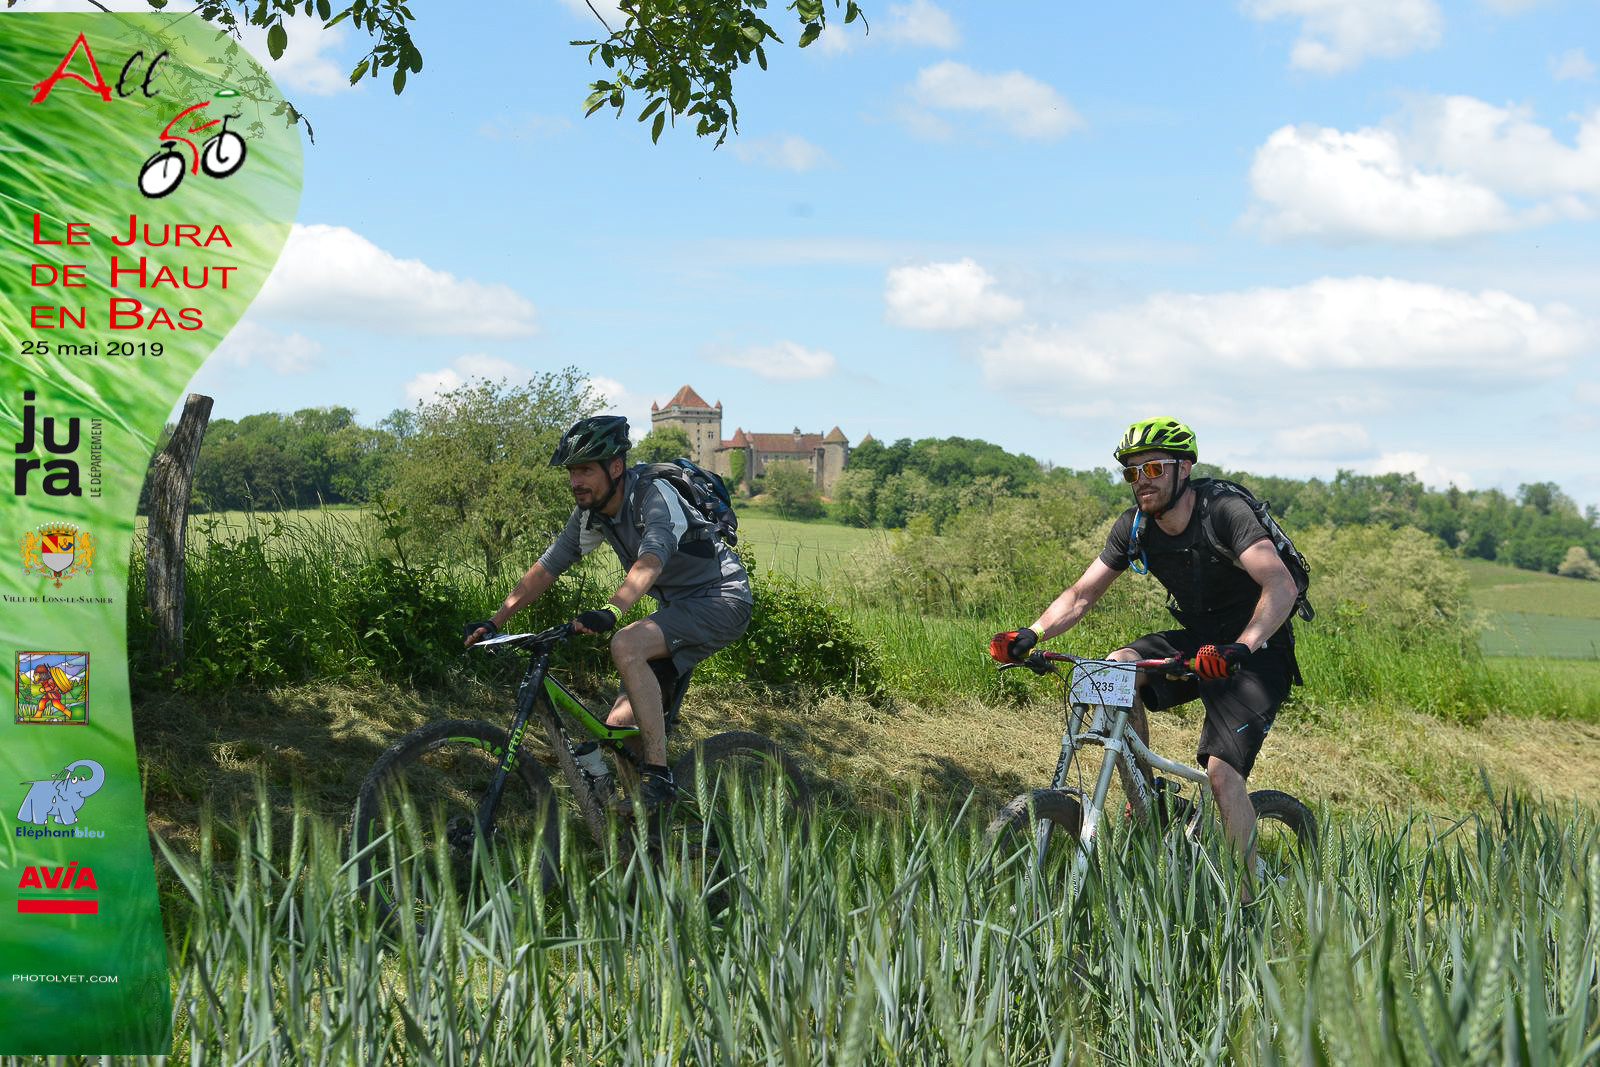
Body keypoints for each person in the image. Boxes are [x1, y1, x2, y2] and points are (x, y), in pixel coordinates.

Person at [991, 416, 1301, 896]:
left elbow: (1280, 585)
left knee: (1222, 775)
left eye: (1153, 468)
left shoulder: (1224, 512)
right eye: (1132, 472)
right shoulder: (1135, 527)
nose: (1142, 481)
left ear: (1184, 468)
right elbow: (1081, 595)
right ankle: (1147, 803)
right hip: (1198, 641)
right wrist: (1031, 633)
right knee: (1116, 667)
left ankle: (1246, 906)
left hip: (1257, 650)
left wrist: (1242, 645)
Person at [464, 415, 753, 814]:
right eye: (571, 472)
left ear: (615, 467)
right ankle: (647, 827)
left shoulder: (653, 496)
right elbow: (549, 566)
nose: (575, 481)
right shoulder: (592, 513)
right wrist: (495, 621)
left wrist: (612, 610)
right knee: (620, 728)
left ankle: (658, 777)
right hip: (678, 608)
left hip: (722, 598)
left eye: (585, 470)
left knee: (627, 643)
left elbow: (651, 559)